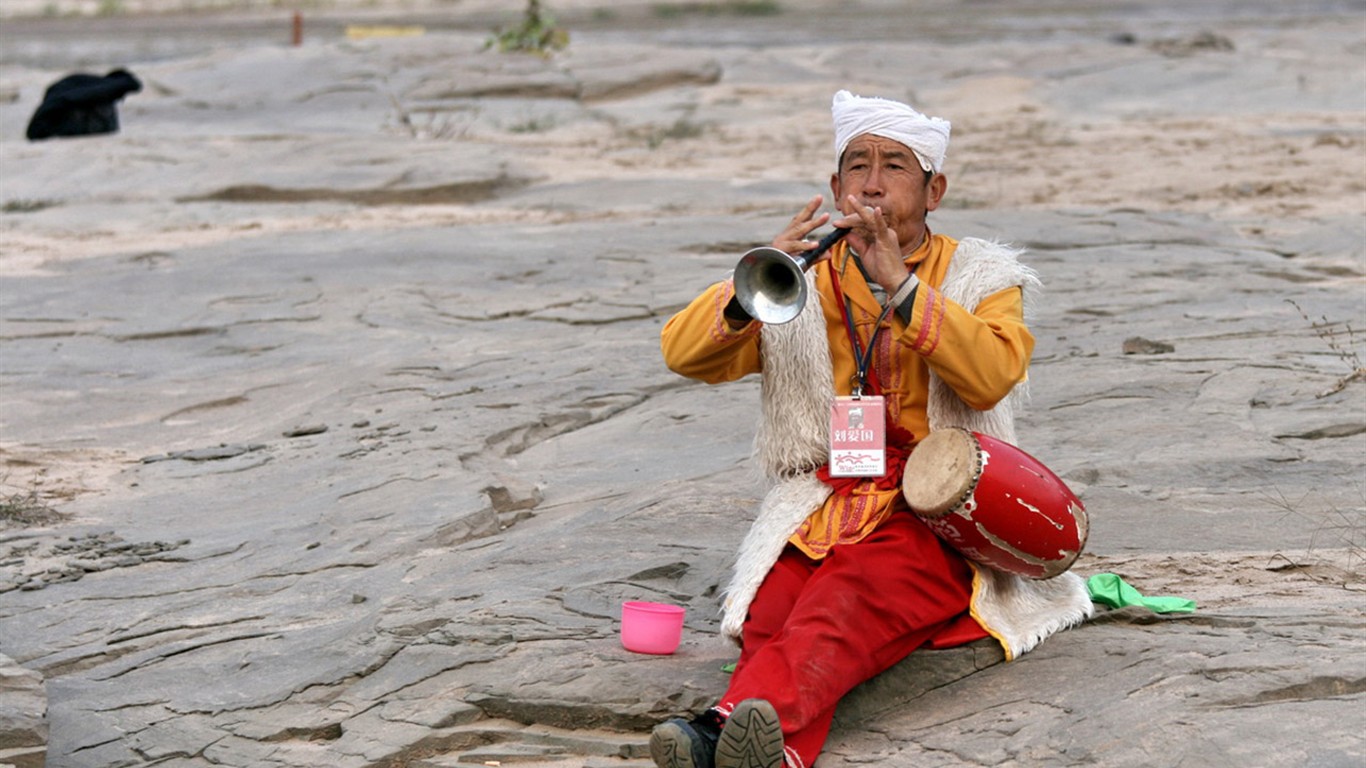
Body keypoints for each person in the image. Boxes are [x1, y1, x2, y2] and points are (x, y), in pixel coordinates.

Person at [649, 90, 1093, 768]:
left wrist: (905, 290)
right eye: (857, 166)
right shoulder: (802, 279)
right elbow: (683, 355)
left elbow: (992, 375)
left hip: (941, 507)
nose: (873, 184)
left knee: (845, 597)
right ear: (834, 185)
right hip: (829, 498)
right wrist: (756, 279)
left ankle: (721, 729)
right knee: (773, 608)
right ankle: (775, 752)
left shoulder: (985, 276)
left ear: (934, 189)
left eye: (894, 167)